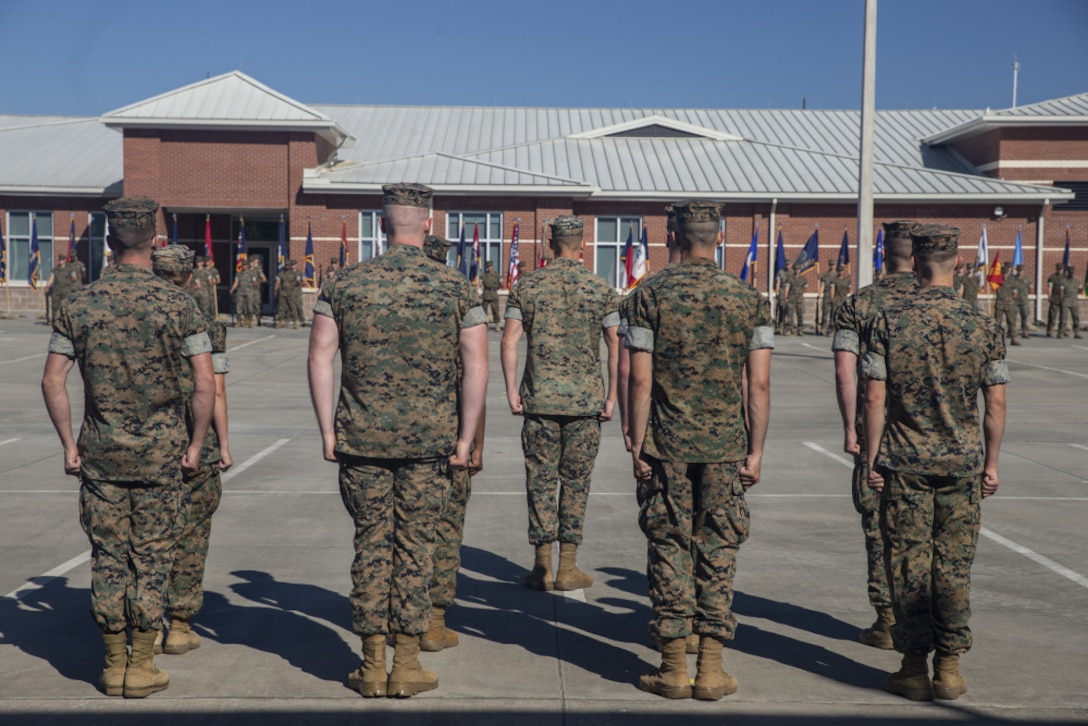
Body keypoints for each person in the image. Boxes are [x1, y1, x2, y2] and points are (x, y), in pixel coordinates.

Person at [308, 183, 487, 698]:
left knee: (371, 546)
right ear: (427, 224)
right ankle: (406, 666)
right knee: (415, 548)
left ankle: (370, 665)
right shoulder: (457, 287)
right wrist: (465, 437)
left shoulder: (344, 284)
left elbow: (320, 357)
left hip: (361, 441)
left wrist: (328, 430)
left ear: (383, 225)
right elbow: (475, 367)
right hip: (430, 446)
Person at [41, 196, 214, 698]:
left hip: (100, 451)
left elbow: (53, 381)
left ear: (110, 242)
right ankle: (141, 664)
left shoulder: (79, 303)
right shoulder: (179, 303)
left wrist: (69, 444)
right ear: (155, 242)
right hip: (162, 454)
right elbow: (204, 382)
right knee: (154, 553)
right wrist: (196, 442)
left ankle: (112, 662)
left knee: (109, 554)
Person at [627, 200, 772, 701]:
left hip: (666, 444)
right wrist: (755, 450)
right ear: (720, 235)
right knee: (718, 548)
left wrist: (636, 440)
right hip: (725, 447)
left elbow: (640, 380)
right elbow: (759, 385)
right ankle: (710, 669)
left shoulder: (648, 295)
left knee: (669, 545)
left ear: (672, 235)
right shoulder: (747, 299)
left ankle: (672, 668)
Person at [863, 223, 1007, 702]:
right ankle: (949, 668)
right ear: (958, 263)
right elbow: (997, 404)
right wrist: (992, 464)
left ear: (914, 264)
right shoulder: (984, 324)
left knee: (908, 563)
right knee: (954, 564)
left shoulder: (888, 320)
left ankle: (912, 667)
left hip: (905, 462)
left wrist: (872, 456)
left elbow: (875, 398)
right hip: (963, 463)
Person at [501, 215, 619, 594]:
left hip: (540, 402)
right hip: (585, 404)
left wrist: (511, 391)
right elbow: (616, 345)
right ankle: (568, 567)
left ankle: (543, 567)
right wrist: (612, 395)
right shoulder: (601, 288)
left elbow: (509, 342)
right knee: (576, 483)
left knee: (540, 481)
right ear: (582, 245)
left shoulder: (527, 286)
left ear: (550, 244)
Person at [831, 220, 918, 650]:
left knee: (880, 528)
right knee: (931, 533)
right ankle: (924, 621)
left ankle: (887, 621)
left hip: (878, 438)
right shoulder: (953, 307)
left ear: (884, 251)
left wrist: (852, 428)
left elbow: (845, 371)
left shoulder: (859, 304)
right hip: (938, 442)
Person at [151, 246, 233, 656]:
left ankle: (140, 625)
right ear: (189, 276)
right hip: (191, 444)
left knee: (141, 537)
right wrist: (224, 443)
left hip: (136, 444)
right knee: (191, 533)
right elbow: (214, 388)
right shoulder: (203, 322)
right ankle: (179, 625)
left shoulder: (125, 312)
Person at [418, 235, 487, 653]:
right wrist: (476, 443)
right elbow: (474, 378)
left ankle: (395, 620)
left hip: (385, 441)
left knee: (393, 536)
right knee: (444, 530)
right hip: (447, 440)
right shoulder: (458, 294)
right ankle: (433, 621)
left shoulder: (375, 289)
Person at [275, 259, 304, 328]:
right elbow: (278, 282)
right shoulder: (281, 274)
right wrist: (275, 290)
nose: (287, 267)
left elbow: (300, 282)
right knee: (281, 308)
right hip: (283, 293)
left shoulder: (295, 274)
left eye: (289, 265)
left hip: (291, 293)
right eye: (286, 265)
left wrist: (298, 283)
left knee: (292, 308)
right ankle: (280, 322)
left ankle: (295, 322)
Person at [784, 262, 808, 335]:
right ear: (794, 270)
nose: (797, 270)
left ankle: (800, 330)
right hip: (791, 298)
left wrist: (801, 293)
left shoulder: (803, 278)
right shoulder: (790, 278)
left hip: (799, 299)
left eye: (798, 269)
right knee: (790, 314)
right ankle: (789, 329)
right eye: (796, 269)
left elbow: (806, 288)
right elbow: (787, 287)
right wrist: (786, 297)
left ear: (800, 270)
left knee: (800, 314)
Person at [1059, 265, 1082, 338]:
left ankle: (1076, 332)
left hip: (1074, 301)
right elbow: (1061, 291)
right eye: (1070, 272)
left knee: (1076, 317)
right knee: (1063, 318)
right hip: (1066, 301)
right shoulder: (1064, 281)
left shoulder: (1077, 281)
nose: (1071, 274)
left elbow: (1080, 290)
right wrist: (1061, 300)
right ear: (1068, 272)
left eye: (1072, 272)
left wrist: (1076, 294)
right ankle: (1061, 332)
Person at [480, 261, 502, 331]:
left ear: (492, 267)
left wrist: (497, 288)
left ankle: (497, 325)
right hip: (486, 294)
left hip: (493, 294)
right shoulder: (483, 275)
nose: (489, 268)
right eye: (488, 267)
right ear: (487, 267)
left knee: (495, 310)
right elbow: (479, 283)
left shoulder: (497, 275)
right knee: (483, 310)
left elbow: (502, 283)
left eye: (490, 266)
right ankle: (484, 325)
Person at [1046, 262, 1065, 336]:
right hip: (1055, 298)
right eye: (1058, 269)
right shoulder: (1052, 277)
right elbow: (1049, 287)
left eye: (1061, 269)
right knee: (1052, 316)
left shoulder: (1065, 277)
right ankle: (1050, 329)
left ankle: (1062, 331)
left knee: (1063, 316)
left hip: (1064, 299)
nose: (1060, 270)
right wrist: (1049, 296)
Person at [818, 266, 836, 335]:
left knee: (833, 313)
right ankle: (824, 328)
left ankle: (832, 329)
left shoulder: (837, 275)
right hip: (826, 295)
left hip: (835, 297)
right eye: (831, 265)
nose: (832, 266)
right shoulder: (825, 275)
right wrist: (820, 295)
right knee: (825, 313)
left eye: (833, 265)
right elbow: (822, 285)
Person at [774, 263, 792, 333]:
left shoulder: (793, 272)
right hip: (782, 291)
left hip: (791, 292)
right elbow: (778, 282)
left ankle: (789, 326)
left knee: (790, 310)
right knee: (782, 309)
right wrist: (777, 292)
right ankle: (780, 326)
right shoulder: (781, 272)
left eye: (789, 264)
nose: (787, 266)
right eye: (786, 264)